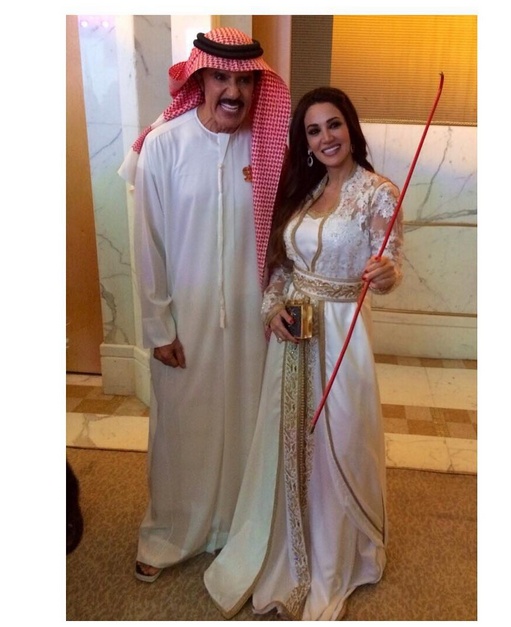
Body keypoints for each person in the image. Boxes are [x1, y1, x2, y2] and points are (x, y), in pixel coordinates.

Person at [204, 86, 404, 620]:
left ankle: (335, 556)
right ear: (305, 141)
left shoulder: (379, 193)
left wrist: (386, 273)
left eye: (333, 124)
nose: (325, 138)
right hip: (293, 336)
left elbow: (389, 267)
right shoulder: (304, 189)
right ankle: (285, 550)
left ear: (350, 126)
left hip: (342, 335)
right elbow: (283, 267)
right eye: (314, 131)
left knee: (340, 443)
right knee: (289, 440)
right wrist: (273, 309)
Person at [118, 27, 291, 583]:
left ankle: (235, 531)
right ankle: (170, 534)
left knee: (246, 424)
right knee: (180, 430)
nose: (234, 92)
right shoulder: (164, 145)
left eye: (245, 81)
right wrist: (157, 326)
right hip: (183, 321)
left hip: (252, 318)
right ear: (201, 78)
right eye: (221, 77)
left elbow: (287, 237)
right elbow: (148, 244)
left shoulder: (269, 147)